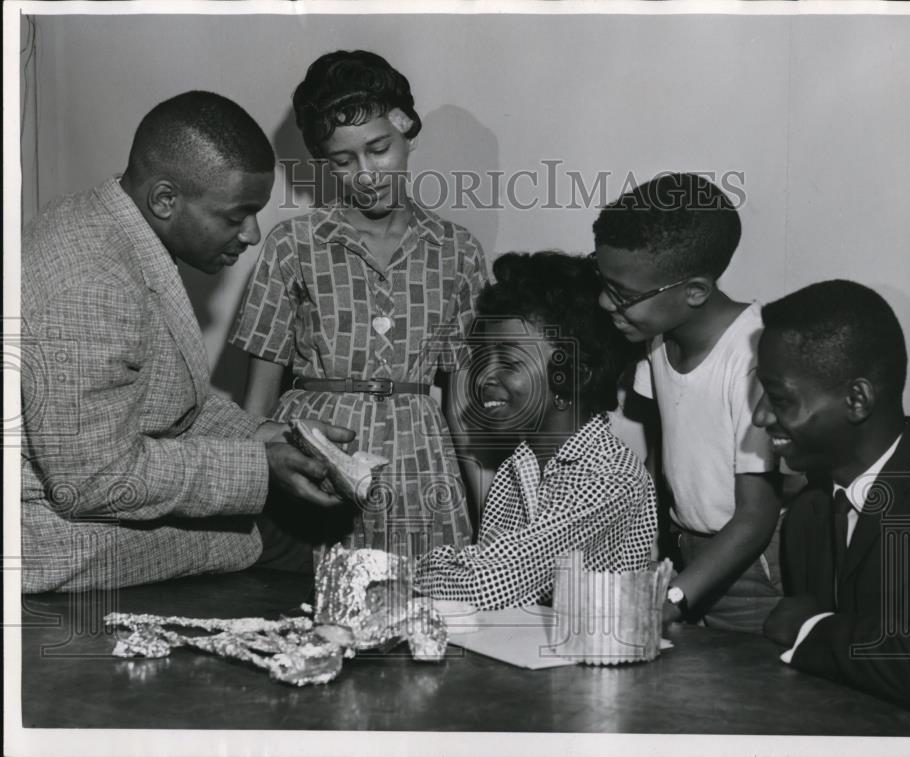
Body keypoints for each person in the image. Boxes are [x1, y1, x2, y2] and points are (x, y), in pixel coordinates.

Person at [20, 91, 353, 593]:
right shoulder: (92, 282)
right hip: (53, 537)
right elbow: (93, 481)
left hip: (83, 495)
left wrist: (270, 436)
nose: (253, 234)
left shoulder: (110, 222)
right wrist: (259, 466)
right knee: (301, 541)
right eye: (236, 214)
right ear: (165, 200)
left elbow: (171, 407)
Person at [229, 50, 486, 564]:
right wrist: (240, 505)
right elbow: (254, 407)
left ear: (406, 128)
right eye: (343, 162)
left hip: (420, 470)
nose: (365, 174)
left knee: (422, 622)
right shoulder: (291, 244)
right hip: (314, 467)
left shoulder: (458, 251)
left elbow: (462, 404)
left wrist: (489, 519)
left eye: (379, 149)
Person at [754, 280, 910, 715]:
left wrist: (812, 628)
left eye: (779, 398)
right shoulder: (808, 514)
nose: (760, 415)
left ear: (856, 399)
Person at [591, 173, 783, 633]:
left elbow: (756, 518)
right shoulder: (658, 336)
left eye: (622, 294)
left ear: (694, 290)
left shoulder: (754, 356)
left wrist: (672, 601)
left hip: (751, 567)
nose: (603, 302)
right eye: (604, 283)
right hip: (687, 554)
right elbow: (665, 452)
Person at [414, 252, 657, 610]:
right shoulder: (519, 465)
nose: (482, 378)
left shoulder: (609, 479)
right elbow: (486, 575)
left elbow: (486, 587)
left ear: (573, 374)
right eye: (482, 357)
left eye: (510, 361)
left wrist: (406, 574)